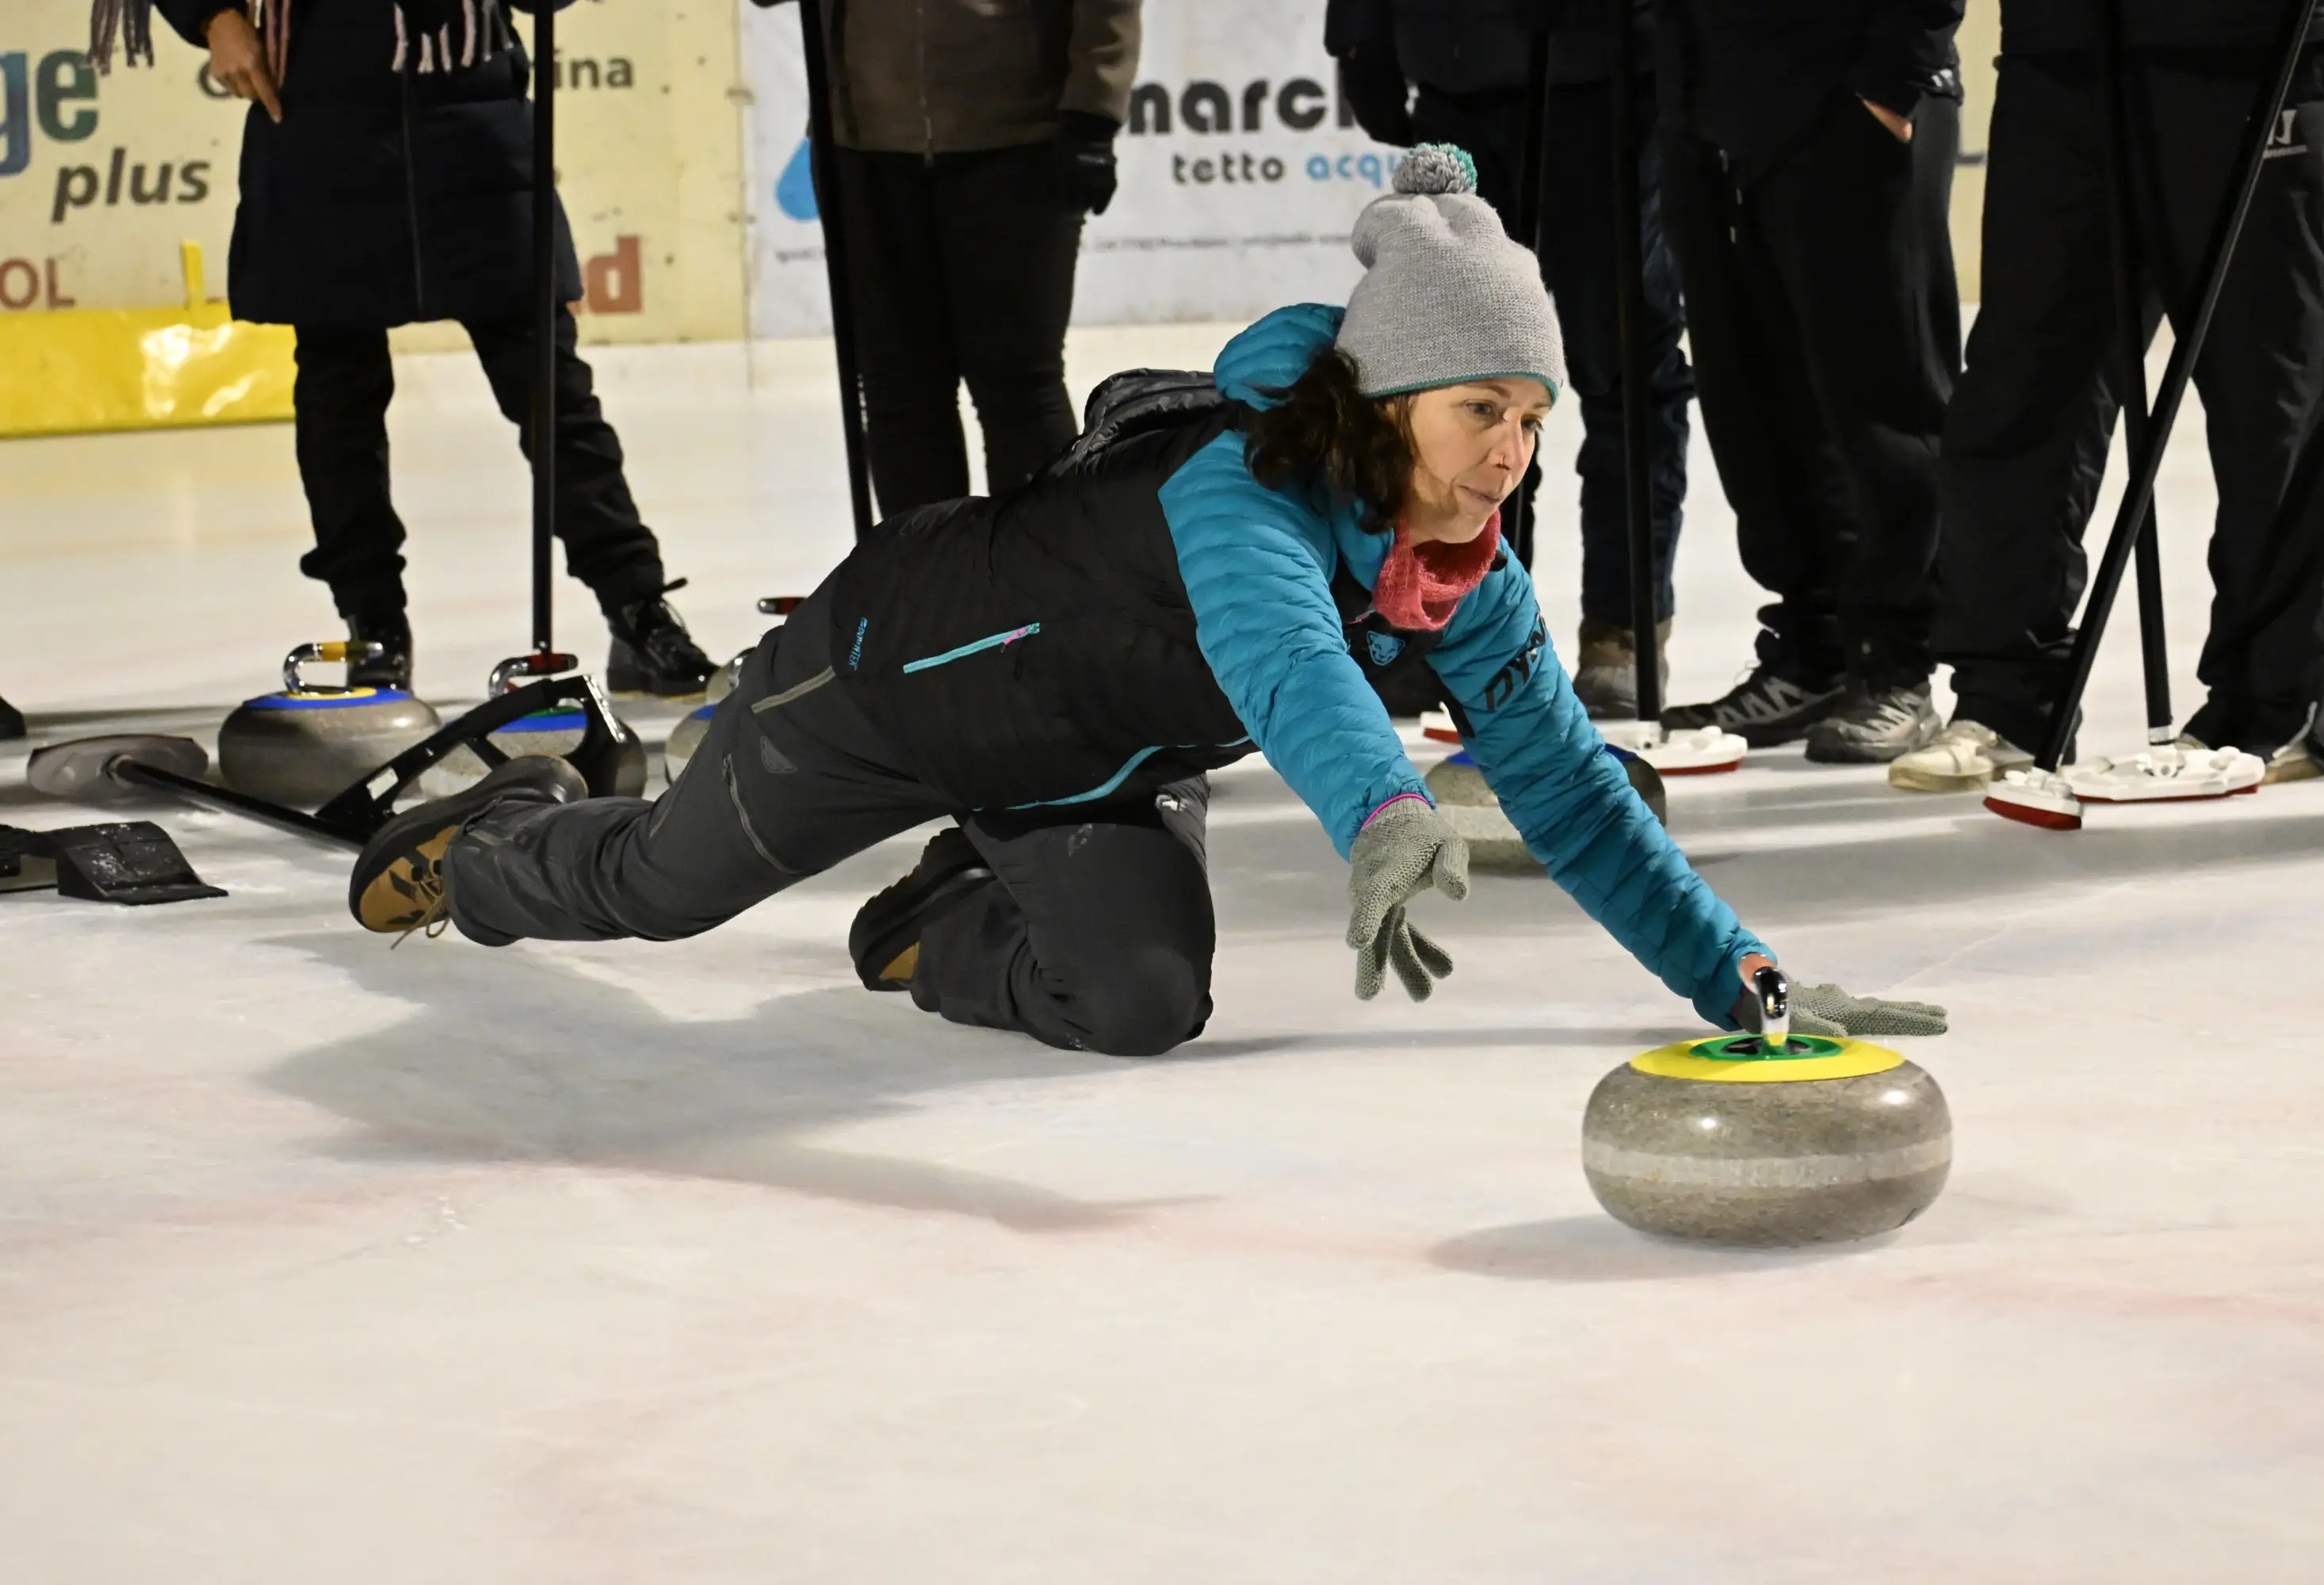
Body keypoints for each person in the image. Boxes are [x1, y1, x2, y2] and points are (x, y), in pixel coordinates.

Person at [344, 150, 1944, 1056]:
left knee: (1137, 1001)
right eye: (1483, 417)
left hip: (1087, 770)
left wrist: (1746, 979)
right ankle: (499, 841)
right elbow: (1283, 654)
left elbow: (1575, 796)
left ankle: (935, 913)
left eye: (1536, 421)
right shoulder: (1235, 489)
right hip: (881, 686)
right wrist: (1384, 808)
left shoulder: (1456, 560)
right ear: (1384, 401)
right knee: (651, 891)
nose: (1513, 462)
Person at [116, 0, 714, 697]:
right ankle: (373, 623)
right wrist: (213, 16)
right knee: (341, 403)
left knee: (552, 392)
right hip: (319, 111)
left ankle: (636, 607)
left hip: (472, 113)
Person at [1890, 0, 2324, 792]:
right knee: (2021, 381)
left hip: (2247, 39)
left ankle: (2271, 706)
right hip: (2063, 39)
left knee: (2268, 379)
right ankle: (2010, 699)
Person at [1325, 0, 1688, 720]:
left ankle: (1622, 626)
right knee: (1454, 373)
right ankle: (1458, 622)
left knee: (1621, 361)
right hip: (1456, 66)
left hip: (1607, 69)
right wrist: (1361, 35)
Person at [1654, 0, 1966, 762]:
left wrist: (1894, 82)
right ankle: (1814, 652)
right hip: (1710, 106)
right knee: (1752, 401)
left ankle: (1896, 665)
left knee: (1883, 400)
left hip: (1849, 93)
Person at [816, 0, 1141, 518]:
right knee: (898, 392)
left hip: (1019, 138)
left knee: (1018, 387)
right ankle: (924, 583)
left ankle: (1039, 582)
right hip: (862, 140)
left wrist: (1093, 110)